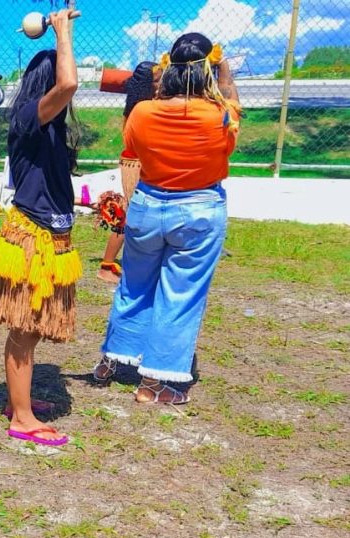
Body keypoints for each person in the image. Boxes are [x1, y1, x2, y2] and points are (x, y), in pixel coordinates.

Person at [93, 32, 240, 404]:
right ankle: (156, 383)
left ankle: (111, 360)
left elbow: (134, 145)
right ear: (207, 69)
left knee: (134, 286)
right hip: (198, 211)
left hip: (147, 206)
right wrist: (225, 72)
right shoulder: (219, 114)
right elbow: (232, 103)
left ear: (169, 69)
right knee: (181, 296)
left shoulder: (142, 112)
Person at [0, 8, 80, 447]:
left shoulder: (54, 129)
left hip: (53, 237)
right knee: (24, 329)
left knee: (34, 327)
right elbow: (69, 83)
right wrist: (63, 33)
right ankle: (21, 418)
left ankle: (18, 401)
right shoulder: (27, 117)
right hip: (30, 242)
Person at [96, 61, 161, 284]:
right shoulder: (140, 107)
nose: (161, 83)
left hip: (139, 161)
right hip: (135, 163)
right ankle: (106, 265)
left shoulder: (143, 103)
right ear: (145, 84)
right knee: (131, 213)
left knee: (137, 213)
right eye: (156, 80)